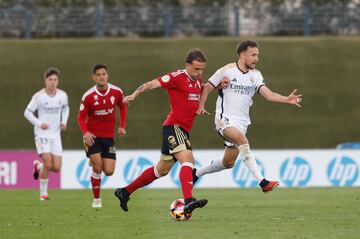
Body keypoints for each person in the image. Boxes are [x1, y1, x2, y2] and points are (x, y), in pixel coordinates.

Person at [194, 40, 302, 192]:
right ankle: (263, 182)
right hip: (224, 120)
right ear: (243, 55)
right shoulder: (226, 70)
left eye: (257, 55)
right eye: (254, 55)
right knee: (242, 140)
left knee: (228, 162)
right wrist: (201, 105)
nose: (257, 58)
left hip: (242, 123)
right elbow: (206, 87)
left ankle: (196, 173)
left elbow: (269, 95)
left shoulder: (255, 75)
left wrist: (287, 99)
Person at [114, 49, 209, 215]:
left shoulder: (198, 80)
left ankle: (125, 191)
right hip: (174, 127)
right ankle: (188, 200)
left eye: (202, 69)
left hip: (183, 130)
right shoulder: (176, 77)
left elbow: (202, 90)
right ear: (187, 65)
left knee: (161, 170)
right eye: (196, 69)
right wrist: (134, 94)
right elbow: (151, 84)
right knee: (188, 160)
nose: (199, 73)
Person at [78, 64, 127, 208]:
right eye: (98, 75)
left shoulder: (116, 92)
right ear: (94, 77)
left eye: (104, 74)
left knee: (109, 171)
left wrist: (122, 126)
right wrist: (85, 132)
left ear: (107, 75)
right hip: (92, 137)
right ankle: (97, 200)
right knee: (98, 168)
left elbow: (122, 106)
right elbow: (80, 118)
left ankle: (93, 160)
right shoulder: (88, 96)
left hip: (108, 137)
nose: (101, 77)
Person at [24, 67, 69, 200]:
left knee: (56, 167)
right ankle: (43, 193)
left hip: (56, 135)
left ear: (58, 81)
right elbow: (27, 112)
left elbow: (66, 108)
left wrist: (64, 121)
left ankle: (39, 166)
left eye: (55, 79)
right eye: (50, 79)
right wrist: (39, 123)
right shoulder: (39, 97)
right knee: (48, 164)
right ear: (45, 81)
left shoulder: (62, 95)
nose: (53, 82)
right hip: (42, 134)